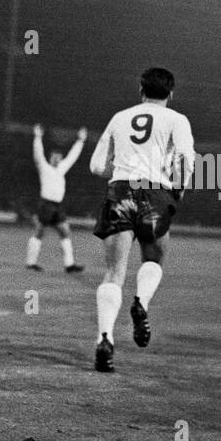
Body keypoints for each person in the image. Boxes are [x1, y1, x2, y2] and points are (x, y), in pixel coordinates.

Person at [87, 68, 195, 373]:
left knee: (113, 273)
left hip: (120, 190)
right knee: (154, 259)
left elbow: (96, 166)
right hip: (156, 192)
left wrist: (122, 171)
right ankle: (141, 303)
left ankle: (104, 340)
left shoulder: (119, 117)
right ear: (171, 94)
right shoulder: (177, 120)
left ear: (140, 89)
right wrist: (180, 188)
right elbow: (187, 157)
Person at [26, 123, 86, 272]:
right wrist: (37, 137)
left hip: (57, 206)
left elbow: (73, 156)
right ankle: (31, 262)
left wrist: (80, 141)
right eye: (54, 156)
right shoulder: (44, 168)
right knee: (40, 231)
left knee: (65, 231)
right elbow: (37, 154)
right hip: (46, 205)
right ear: (50, 157)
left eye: (59, 157)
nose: (57, 159)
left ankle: (69, 265)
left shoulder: (62, 168)